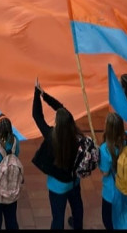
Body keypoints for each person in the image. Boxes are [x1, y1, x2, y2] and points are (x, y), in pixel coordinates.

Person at [32, 80, 84, 230]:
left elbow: (37, 116)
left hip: (57, 186)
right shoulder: (75, 133)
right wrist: (45, 96)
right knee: (77, 209)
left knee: (58, 216)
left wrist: (38, 93)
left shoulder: (51, 136)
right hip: (74, 181)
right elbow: (61, 108)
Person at [99, 112, 127, 230]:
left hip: (111, 191)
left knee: (108, 219)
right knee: (124, 213)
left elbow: (105, 172)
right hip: (126, 186)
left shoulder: (104, 149)